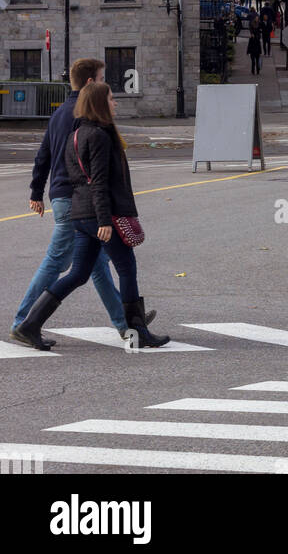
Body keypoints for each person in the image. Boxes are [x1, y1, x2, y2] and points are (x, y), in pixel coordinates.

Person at [11, 81, 170, 352]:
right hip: (97, 216)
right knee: (126, 267)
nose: (115, 102)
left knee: (79, 274)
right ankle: (137, 333)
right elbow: (98, 182)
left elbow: (79, 179)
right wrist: (106, 220)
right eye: (110, 98)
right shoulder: (98, 135)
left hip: (81, 215)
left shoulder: (78, 132)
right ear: (99, 103)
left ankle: (30, 324)